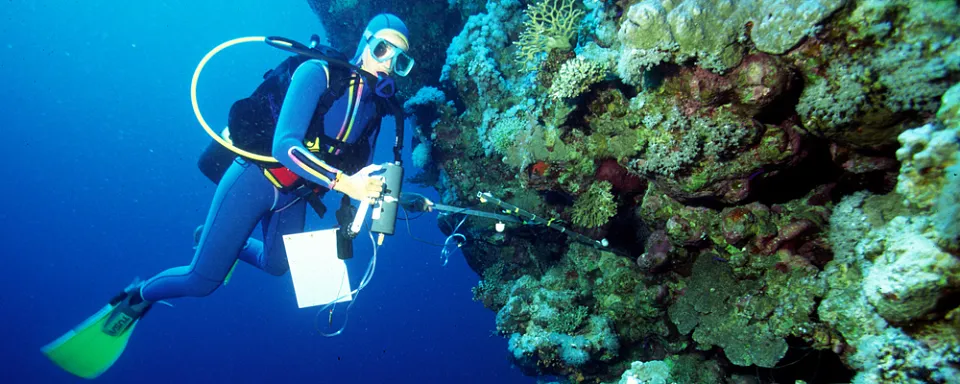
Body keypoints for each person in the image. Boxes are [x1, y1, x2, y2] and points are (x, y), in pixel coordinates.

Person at [42, 13, 415, 379]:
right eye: (382, 48)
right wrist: (344, 184)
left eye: (400, 59)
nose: (388, 63)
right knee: (201, 283)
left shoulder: (375, 110)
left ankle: (220, 237)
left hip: (294, 195)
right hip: (254, 179)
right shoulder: (317, 73)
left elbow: (354, 167)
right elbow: (286, 147)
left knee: (277, 264)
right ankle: (139, 296)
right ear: (365, 44)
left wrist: (355, 206)